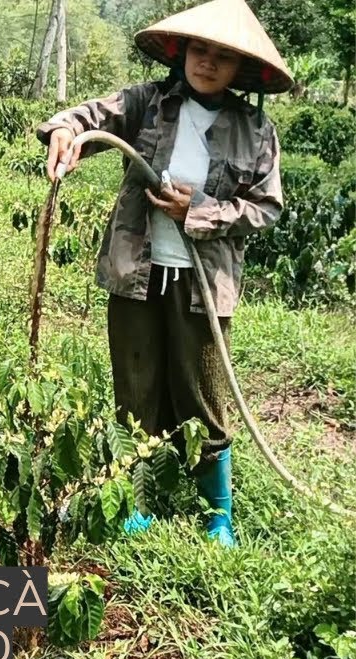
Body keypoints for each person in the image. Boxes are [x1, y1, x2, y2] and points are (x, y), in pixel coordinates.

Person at [35, 0, 293, 547]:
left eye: (223, 56)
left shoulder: (256, 130)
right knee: (137, 387)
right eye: (201, 49)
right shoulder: (148, 102)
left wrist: (195, 213)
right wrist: (65, 130)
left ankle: (216, 514)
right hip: (136, 271)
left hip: (204, 282)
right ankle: (136, 500)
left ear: (240, 69)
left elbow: (265, 208)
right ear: (182, 52)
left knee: (203, 392)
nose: (208, 62)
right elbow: (90, 116)